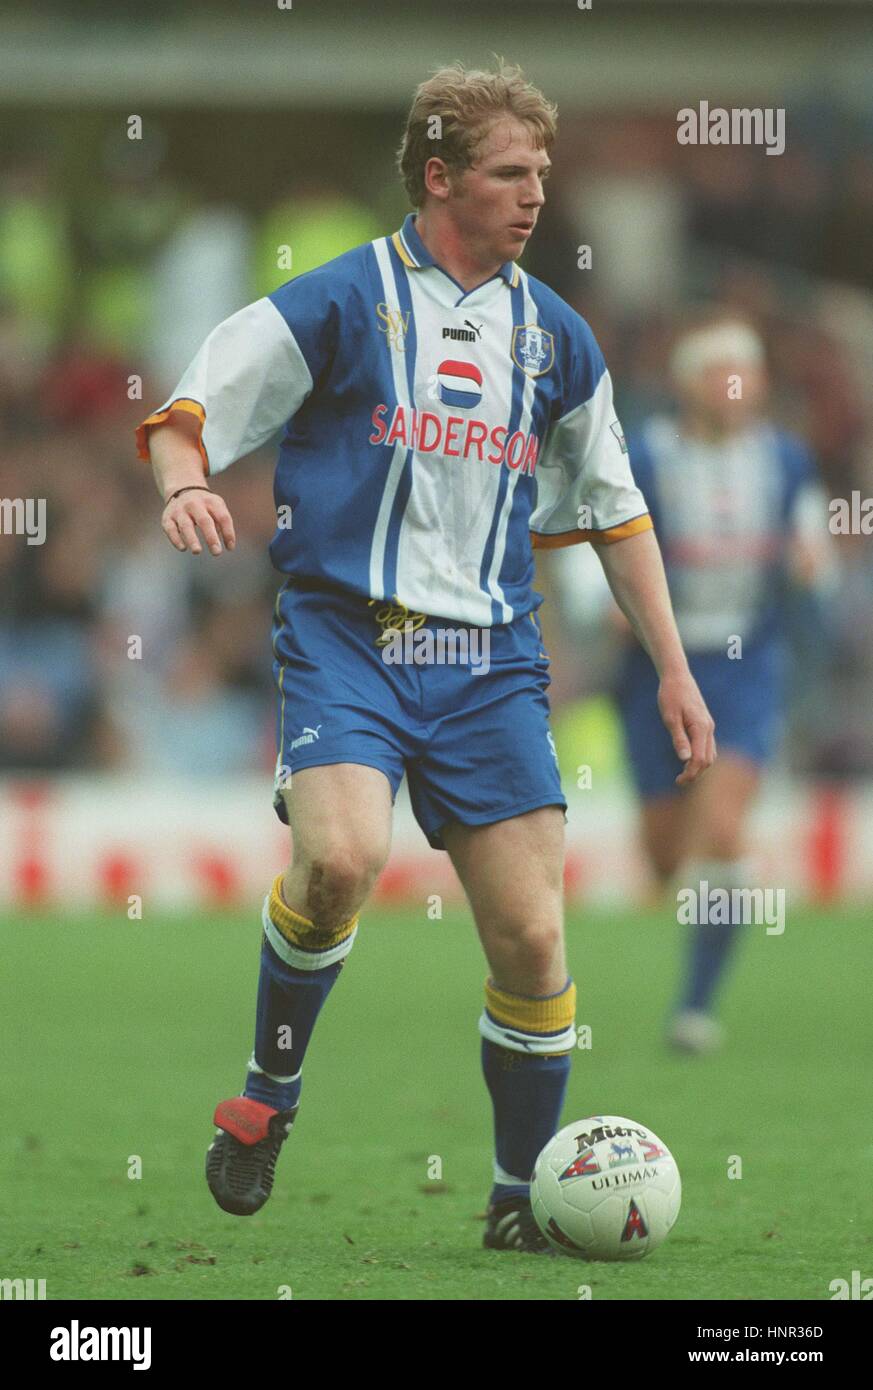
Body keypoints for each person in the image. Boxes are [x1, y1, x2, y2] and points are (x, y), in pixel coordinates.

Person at [135, 62, 714, 1254]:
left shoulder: (557, 337)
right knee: (340, 860)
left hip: (490, 660)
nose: (536, 194)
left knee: (534, 937)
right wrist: (185, 482)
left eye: (542, 173)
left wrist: (673, 665)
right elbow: (192, 407)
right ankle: (267, 1097)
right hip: (348, 635)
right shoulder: (340, 300)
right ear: (441, 178)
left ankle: (516, 1197)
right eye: (511, 173)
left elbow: (615, 512)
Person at [614, 313, 830, 1053]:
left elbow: (811, 543)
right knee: (665, 853)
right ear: (687, 385)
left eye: (746, 372)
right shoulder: (646, 455)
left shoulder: (785, 460)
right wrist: (599, 605)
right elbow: (599, 536)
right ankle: (684, 886)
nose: (735, 387)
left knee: (724, 829)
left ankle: (696, 1007)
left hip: (744, 666)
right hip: (655, 666)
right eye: (719, 373)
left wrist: (810, 567)